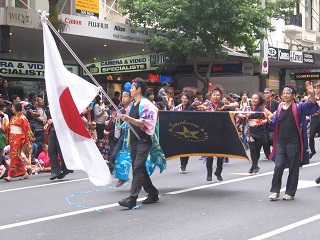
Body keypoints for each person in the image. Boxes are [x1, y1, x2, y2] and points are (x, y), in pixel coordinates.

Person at [265, 82, 319, 201]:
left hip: (294, 142)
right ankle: (275, 191)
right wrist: (268, 119)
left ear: (293, 95)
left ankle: (290, 192)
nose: (285, 95)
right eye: (283, 93)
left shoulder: (299, 108)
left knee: (293, 168)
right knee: (278, 166)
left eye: (288, 93)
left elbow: (312, 105)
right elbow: (273, 125)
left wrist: (311, 94)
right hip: (280, 142)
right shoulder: (279, 109)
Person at [118, 78, 159, 209]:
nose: (130, 89)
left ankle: (132, 198)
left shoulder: (147, 105)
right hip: (134, 140)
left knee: (137, 167)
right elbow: (129, 123)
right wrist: (123, 119)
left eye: (132, 87)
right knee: (139, 168)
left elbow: (145, 123)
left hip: (144, 140)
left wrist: (129, 118)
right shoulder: (131, 105)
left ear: (139, 89)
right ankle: (153, 193)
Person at [195, 85, 238, 181]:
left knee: (220, 154)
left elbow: (236, 104)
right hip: (208, 132)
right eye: (214, 95)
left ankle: (218, 171)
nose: (215, 97)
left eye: (217, 95)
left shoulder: (223, 104)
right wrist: (202, 107)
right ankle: (209, 174)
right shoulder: (206, 105)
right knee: (209, 155)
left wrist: (227, 106)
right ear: (210, 96)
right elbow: (195, 106)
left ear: (220, 96)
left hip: (221, 132)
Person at [4, 102, 34, 181]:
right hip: (12, 139)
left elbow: (27, 130)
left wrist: (28, 143)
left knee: (14, 156)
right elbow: (8, 128)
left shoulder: (22, 118)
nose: (11, 109)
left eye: (13, 107)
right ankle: (24, 172)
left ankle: (10, 175)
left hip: (19, 139)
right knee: (17, 156)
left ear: (17, 108)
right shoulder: (12, 118)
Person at [239, 93, 267, 174]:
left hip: (259, 130)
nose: (253, 100)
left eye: (256, 99)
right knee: (252, 149)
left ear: (259, 100)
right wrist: (242, 115)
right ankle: (256, 167)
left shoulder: (262, 108)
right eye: (252, 98)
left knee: (257, 150)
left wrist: (262, 121)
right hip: (250, 131)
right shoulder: (247, 108)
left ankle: (253, 166)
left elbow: (268, 117)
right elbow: (238, 113)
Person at [110, 91, 133, 186]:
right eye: (122, 97)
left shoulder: (133, 109)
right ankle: (122, 177)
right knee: (114, 156)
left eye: (126, 96)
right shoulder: (121, 110)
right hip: (123, 137)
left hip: (132, 137)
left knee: (136, 162)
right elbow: (118, 126)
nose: (123, 98)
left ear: (131, 98)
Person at [174, 93, 194, 173]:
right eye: (183, 98)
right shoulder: (178, 107)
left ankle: (185, 163)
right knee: (181, 148)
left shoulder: (191, 107)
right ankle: (182, 164)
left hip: (189, 129)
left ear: (188, 100)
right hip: (180, 129)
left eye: (186, 99)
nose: (184, 100)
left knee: (187, 148)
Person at [263, 88, 280, 160]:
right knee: (265, 139)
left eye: (267, 93)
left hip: (273, 122)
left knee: (273, 138)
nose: (266, 94)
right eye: (265, 93)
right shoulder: (262, 102)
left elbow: (278, 110)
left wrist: (273, 116)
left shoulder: (275, 102)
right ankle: (267, 154)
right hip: (264, 122)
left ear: (270, 93)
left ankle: (275, 153)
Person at [309, 83, 320, 159]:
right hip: (314, 117)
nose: (316, 90)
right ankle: (312, 150)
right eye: (315, 88)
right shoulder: (311, 97)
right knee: (311, 135)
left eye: (318, 88)